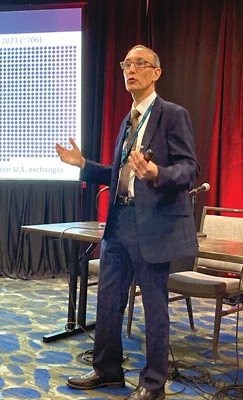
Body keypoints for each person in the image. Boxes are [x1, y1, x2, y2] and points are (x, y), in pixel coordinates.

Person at [55, 44, 199, 400]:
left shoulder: (172, 115)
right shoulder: (128, 119)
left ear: (156, 73)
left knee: (153, 307)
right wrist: (83, 163)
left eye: (139, 64)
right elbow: (119, 174)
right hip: (118, 222)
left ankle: (153, 383)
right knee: (108, 301)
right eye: (126, 64)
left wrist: (156, 172)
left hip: (154, 226)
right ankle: (107, 371)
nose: (130, 70)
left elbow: (190, 169)